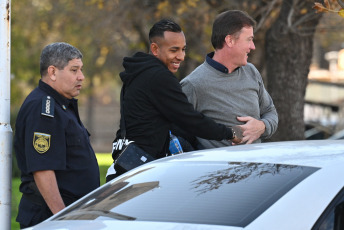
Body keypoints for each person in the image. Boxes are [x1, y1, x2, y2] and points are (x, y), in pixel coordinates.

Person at [106, 19, 242, 181]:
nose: (181, 57)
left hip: (125, 162)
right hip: (143, 172)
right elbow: (190, 119)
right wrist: (230, 133)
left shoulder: (137, 73)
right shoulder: (159, 77)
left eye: (183, 50)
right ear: (155, 49)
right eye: (174, 50)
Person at [14, 42, 100, 228]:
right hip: (50, 218)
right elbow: (43, 169)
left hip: (69, 215)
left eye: (81, 70)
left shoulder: (60, 105)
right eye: (74, 70)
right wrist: (63, 219)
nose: (81, 77)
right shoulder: (43, 109)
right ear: (52, 72)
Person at [181, 10, 278, 149]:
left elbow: (270, 112)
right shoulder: (193, 84)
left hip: (257, 167)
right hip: (217, 169)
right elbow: (178, 134)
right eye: (249, 39)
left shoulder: (251, 72)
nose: (253, 46)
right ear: (230, 40)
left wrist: (262, 126)